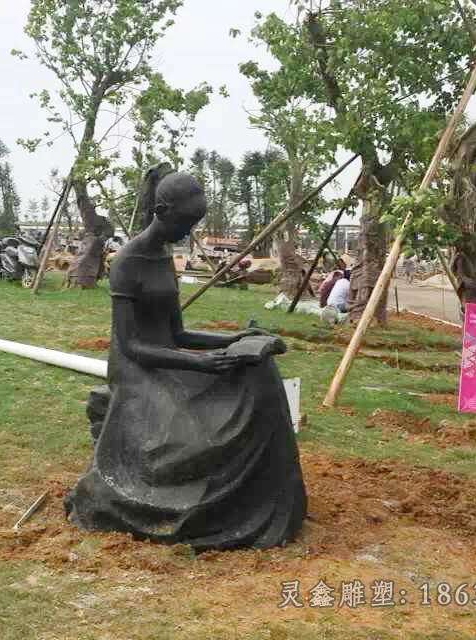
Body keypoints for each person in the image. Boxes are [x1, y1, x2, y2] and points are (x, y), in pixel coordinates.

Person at [65, 168, 306, 551]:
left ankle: (266, 503)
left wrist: (235, 339)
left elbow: (178, 335)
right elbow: (130, 347)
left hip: (169, 359)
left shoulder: (164, 255)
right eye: (185, 222)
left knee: (259, 371)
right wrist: (201, 364)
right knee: (196, 430)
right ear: (161, 210)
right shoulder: (127, 261)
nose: (188, 231)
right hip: (138, 372)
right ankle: (206, 506)